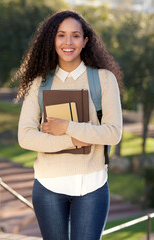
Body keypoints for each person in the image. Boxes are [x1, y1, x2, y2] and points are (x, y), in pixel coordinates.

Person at [15, 10, 123, 240]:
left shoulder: (104, 79)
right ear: (52, 40)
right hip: (48, 187)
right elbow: (25, 136)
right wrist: (73, 140)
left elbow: (113, 133)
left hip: (92, 186)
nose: (68, 42)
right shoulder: (39, 84)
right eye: (61, 35)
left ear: (85, 41)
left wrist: (67, 126)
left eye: (75, 35)